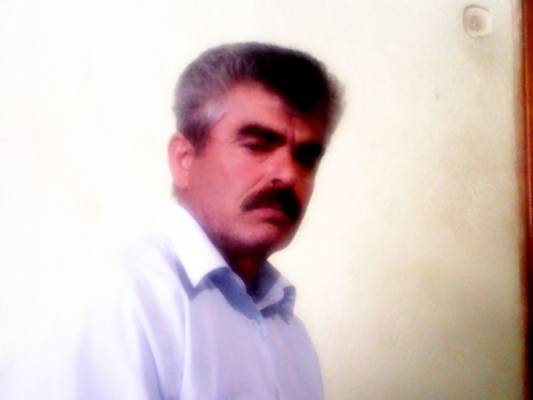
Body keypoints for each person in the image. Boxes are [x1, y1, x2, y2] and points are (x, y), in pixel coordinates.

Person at [1, 42, 343, 400]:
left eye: (306, 157)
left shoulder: (287, 330)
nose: (288, 174)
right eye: (257, 144)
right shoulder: (111, 301)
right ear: (184, 159)